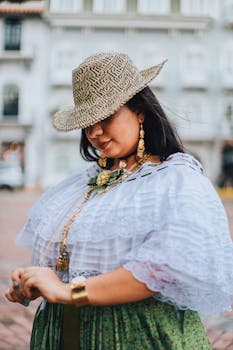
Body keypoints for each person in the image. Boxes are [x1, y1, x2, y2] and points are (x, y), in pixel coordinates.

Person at [5, 52, 233, 349]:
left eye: (106, 117)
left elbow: (162, 270)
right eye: (87, 123)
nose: (95, 132)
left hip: (134, 336)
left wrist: (67, 291)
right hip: (64, 334)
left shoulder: (175, 180)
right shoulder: (80, 184)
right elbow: (67, 265)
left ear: (140, 110)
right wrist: (35, 281)